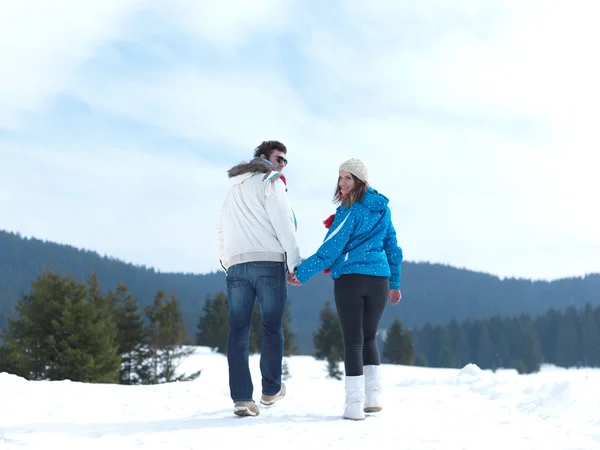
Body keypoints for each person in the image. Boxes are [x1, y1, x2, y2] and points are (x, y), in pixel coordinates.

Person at [289, 158, 403, 421]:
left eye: (348, 178)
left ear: (360, 181)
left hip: (351, 279)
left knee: (354, 340)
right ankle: (373, 398)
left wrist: (302, 274)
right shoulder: (383, 210)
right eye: (340, 177)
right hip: (379, 280)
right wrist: (394, 284)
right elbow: (392, 249)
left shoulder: (350, 209)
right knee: (370, 337)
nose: (342, 183)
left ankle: (354, 406)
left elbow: (331, 249)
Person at [214, 140, 301, 417]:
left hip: (237, 267)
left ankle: (241, 398)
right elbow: (284, 223)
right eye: (279, 158)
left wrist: (228, 263)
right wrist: (294, 263)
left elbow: (219, 232)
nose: (283, 164)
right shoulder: (270, 182)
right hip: (268, 263)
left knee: (238, 330)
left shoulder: (233, 191)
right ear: (263, 157)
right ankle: (270, 389)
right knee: (271, 327)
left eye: (286, 160)